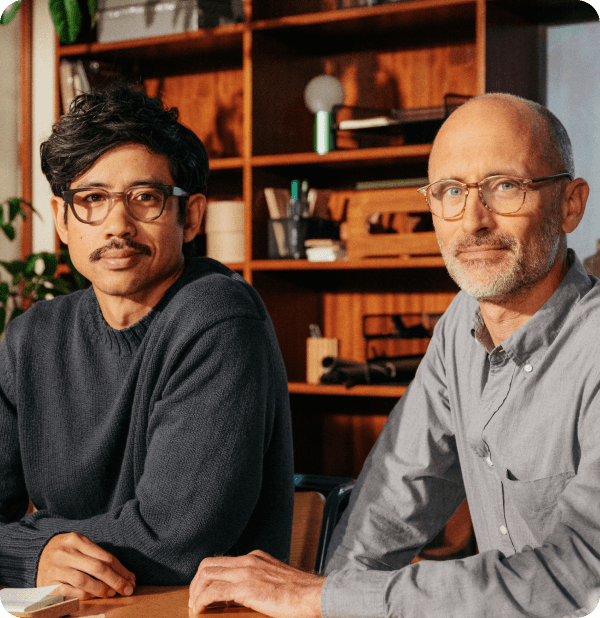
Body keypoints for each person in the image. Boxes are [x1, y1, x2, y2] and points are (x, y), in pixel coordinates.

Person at [188, 93, 600, 618]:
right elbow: (396, 495)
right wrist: (324, 601)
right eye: (451, 191)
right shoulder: (459, 325)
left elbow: (577, 578)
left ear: (571, 204)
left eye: (504, 187)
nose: (472, 220)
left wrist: (322, 597)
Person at [0, 85, 294, 600]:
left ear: (192, 216)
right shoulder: (32, 337)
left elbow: (173, 540)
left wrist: (27, 548)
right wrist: (34, 553)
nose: (117, 224)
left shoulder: (218, 319)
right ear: (64, 220)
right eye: (92, 199)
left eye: (145, 198)